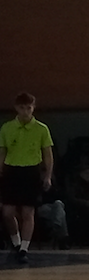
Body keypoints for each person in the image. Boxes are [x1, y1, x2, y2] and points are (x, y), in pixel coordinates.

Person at [0, 92, 54, 263]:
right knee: (7, 212)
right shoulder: (7, 128)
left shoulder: (41, 129)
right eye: (22, 108)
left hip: (31, 171)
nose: (25, 112)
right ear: (16, 108)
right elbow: (2, 152)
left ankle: (24, 249)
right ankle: (16, 242)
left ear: (33, 108)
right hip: (11, 171)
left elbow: (48, 155)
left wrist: (48, 176)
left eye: (28, 108)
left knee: (27, 212)